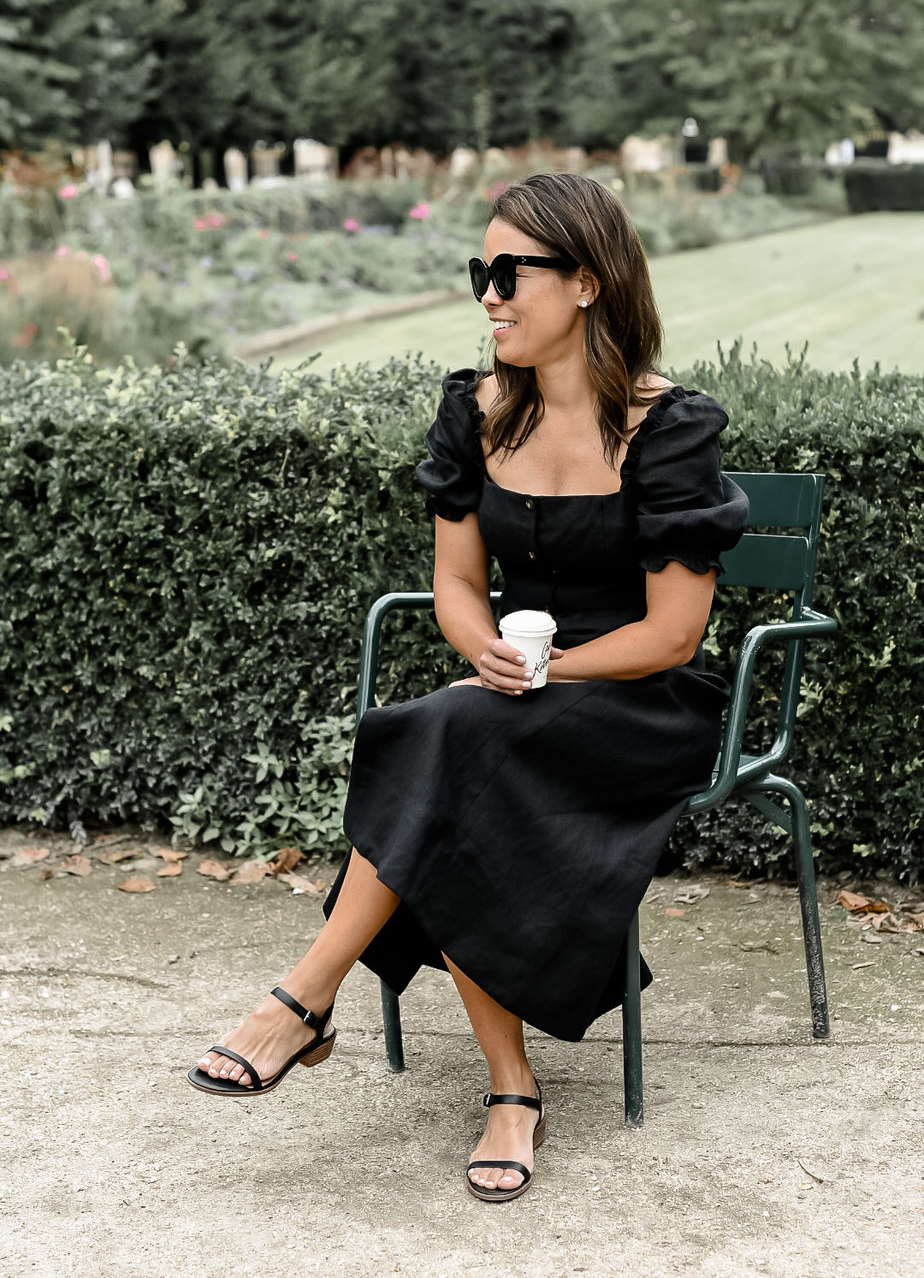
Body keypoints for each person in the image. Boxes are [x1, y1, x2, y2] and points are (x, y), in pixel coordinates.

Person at [187, 172, 749, 1203]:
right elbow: (454, 583)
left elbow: (673, 635)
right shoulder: (476, 411)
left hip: (639, 702)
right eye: (479, 272)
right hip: (510, 695)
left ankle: (307, 999)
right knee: (457, 741)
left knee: (448, 738)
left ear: (585, 282)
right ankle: (507, 1085)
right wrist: (486, 646)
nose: (489, 294)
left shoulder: (669, 431)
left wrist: (542, 667)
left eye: (509, 272)